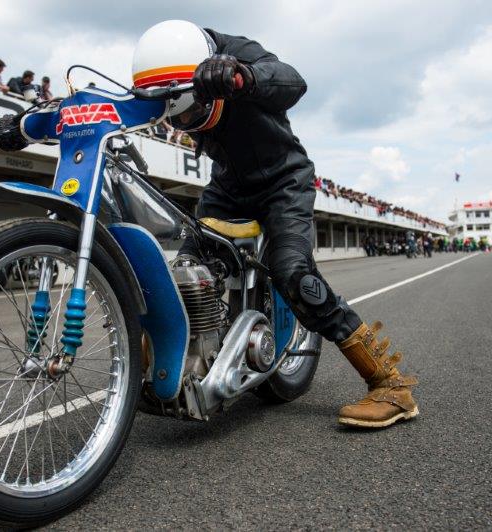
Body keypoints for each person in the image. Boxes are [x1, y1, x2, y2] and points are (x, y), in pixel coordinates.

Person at [137, 21, 416, 428]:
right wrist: (30, 126)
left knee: (294, 275)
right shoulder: (162, 77)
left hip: (283, 181)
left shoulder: (233, 52)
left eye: (196, 106)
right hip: (227, 187)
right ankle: (179, 365)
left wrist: (242, 76)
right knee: (180, 272)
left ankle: (391, 385)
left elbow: (292, 81)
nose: (189, 119)